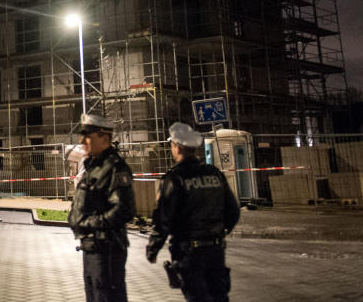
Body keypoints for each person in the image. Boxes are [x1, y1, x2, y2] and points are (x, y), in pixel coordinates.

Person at [145, 122, 241, 302]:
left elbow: (164, 219)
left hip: (189, 252)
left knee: (197, 297)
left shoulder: (174, 178)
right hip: (216, 249)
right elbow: (233, 211)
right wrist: (219, 232)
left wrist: (153, 247)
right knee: (219, 296)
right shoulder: (214, 173)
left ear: (177, 147)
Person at [68, 113, 136, 302]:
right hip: (91, 249)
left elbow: (124, 209)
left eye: (88, 135)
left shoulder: (115, 168)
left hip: (107, 250)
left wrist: (87, 223)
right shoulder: (94, 167)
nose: (82, 140)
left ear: (105, 138)